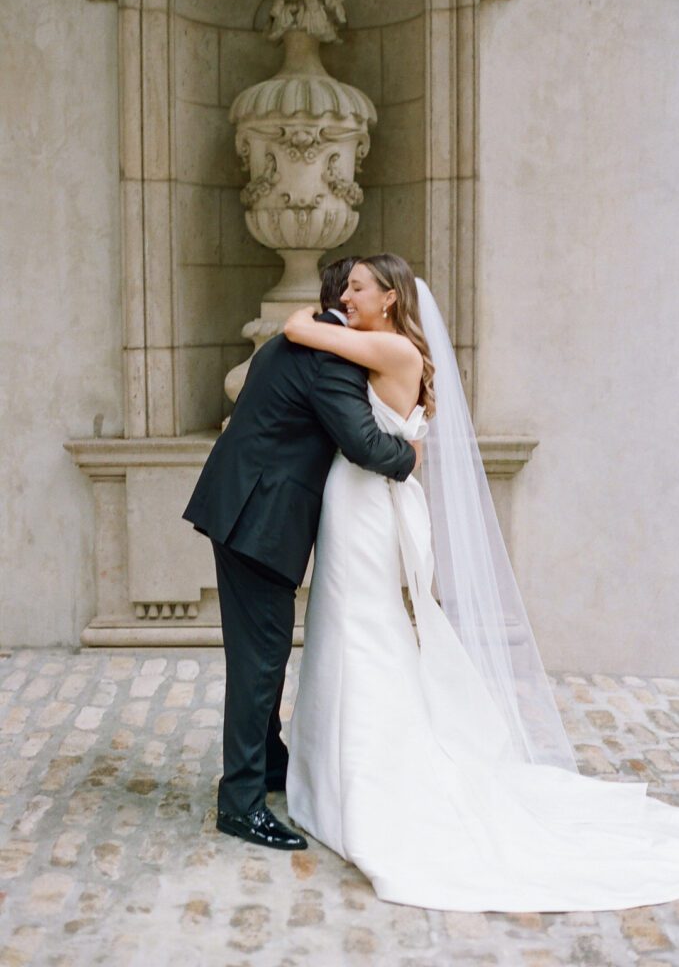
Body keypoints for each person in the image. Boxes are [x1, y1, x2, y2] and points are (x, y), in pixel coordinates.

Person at [282, 252, 679, 911]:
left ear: (388, 298)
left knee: (361, 629)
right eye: (344, 288)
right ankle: (335, 770)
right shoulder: (394, 344)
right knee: (354, 626)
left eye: (356, 288)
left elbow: (297, 329)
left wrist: (316, 314)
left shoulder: (383, 345)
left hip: (364, 508)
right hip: (366, 504)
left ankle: (363, 779)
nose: (343, 297)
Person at [181, 257, 420, 851]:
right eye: (356, 287)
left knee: (258, 650)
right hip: (259, 519)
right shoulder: (331, 358)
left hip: (240, 505)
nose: (357, 296)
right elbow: (363, 443)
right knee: (260, 659)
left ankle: (269, 763)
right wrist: (412, 458)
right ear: (349, 298)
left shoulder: (304, 336)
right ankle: (240, 804)